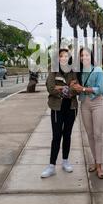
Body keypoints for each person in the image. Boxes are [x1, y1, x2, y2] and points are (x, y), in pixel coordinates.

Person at [41, 49, 79, 179]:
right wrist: (67, 87)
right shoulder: (53, 70)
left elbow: (77, 89)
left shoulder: (73, 71)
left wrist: (61, 87)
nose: (63, 58)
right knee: (56, 136)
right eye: (61, 56)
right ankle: (51, 166)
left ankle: (65, 161)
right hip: (57, 108)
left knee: (67, 135)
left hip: (71, 107)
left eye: (66, 56)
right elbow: (50, 88)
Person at [71, 48, 103, 179]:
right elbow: (76, 87)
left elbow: (101, 89)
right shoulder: (79, 72)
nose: (84, 57)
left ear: (90, 56)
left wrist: (83, 88)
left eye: (86, 55)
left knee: (98, 135)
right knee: (90, 135)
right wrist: (73, 85)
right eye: (81, 56)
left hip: (97, 103)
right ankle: (95, 161)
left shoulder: (98, 70)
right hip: (84, 104)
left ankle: (99, 166)